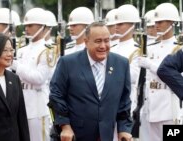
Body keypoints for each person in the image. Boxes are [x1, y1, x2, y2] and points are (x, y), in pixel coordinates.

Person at [49, 22, 133, 141]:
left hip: (107, 135)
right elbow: (56, 96)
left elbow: (124, 100)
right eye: (98, 41)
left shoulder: (121, 64)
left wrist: (124, 128)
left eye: (106, 40)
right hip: (75, 135)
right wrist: (65, 126)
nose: (103, 46)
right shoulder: (67, 63)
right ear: (86, 42)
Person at [137, 3, 182, 141]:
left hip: (171, 108)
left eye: (160, 21)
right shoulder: (150, 48)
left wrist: (150, 65)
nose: (156, 25)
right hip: (151, 107)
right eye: (156, 22)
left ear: (172, 23)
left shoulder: (178, 49)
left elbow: (175, 79)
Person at [11, 8, 52, 141]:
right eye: (26, 25)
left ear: (42, 26)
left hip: (37, 105)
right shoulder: (22, 50)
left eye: (30, 25)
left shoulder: (47, 51)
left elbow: (39, 78)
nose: (26, 28)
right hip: (21, 102)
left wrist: (17, 66)